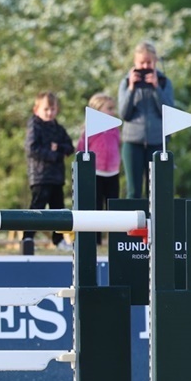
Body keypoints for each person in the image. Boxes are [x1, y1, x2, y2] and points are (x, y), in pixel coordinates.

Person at [117, 41, 174, 199]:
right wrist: (131, 89)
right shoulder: (126, 82)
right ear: (135, 62)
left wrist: (156, 88)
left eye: (149, 62)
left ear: (155, 61)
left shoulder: (164, 82)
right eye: (141, 62)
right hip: (132, 142)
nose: (145, 66)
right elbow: (124, 113)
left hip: (157, 142)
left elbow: (168, 112)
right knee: (133, 191)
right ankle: (133, 216)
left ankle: (155, 216)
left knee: (155, 191)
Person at [22, 91, 75, 254]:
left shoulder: (58, 128)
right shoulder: (34, 127)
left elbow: (69, 147)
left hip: (57, 176)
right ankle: (27, 238)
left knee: (58, 209)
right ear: (36, 109)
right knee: (37, 208)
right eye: (46, 109)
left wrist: (57, 148)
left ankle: (58, 240)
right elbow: (32, 149)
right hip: (40, 176)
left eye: (52, 109)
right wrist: (54, 155)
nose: (49, 113)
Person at [76, 93, 121, 244]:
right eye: (109, 108)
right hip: (95, 172)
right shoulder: (89, 130)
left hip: (112, 172)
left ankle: (114, 240)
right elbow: (81, 150)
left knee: (113, 206)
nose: (113, 112)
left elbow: (117, 145)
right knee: (96, 206)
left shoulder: (115, 128)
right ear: (97, 110)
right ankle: (95, 239)